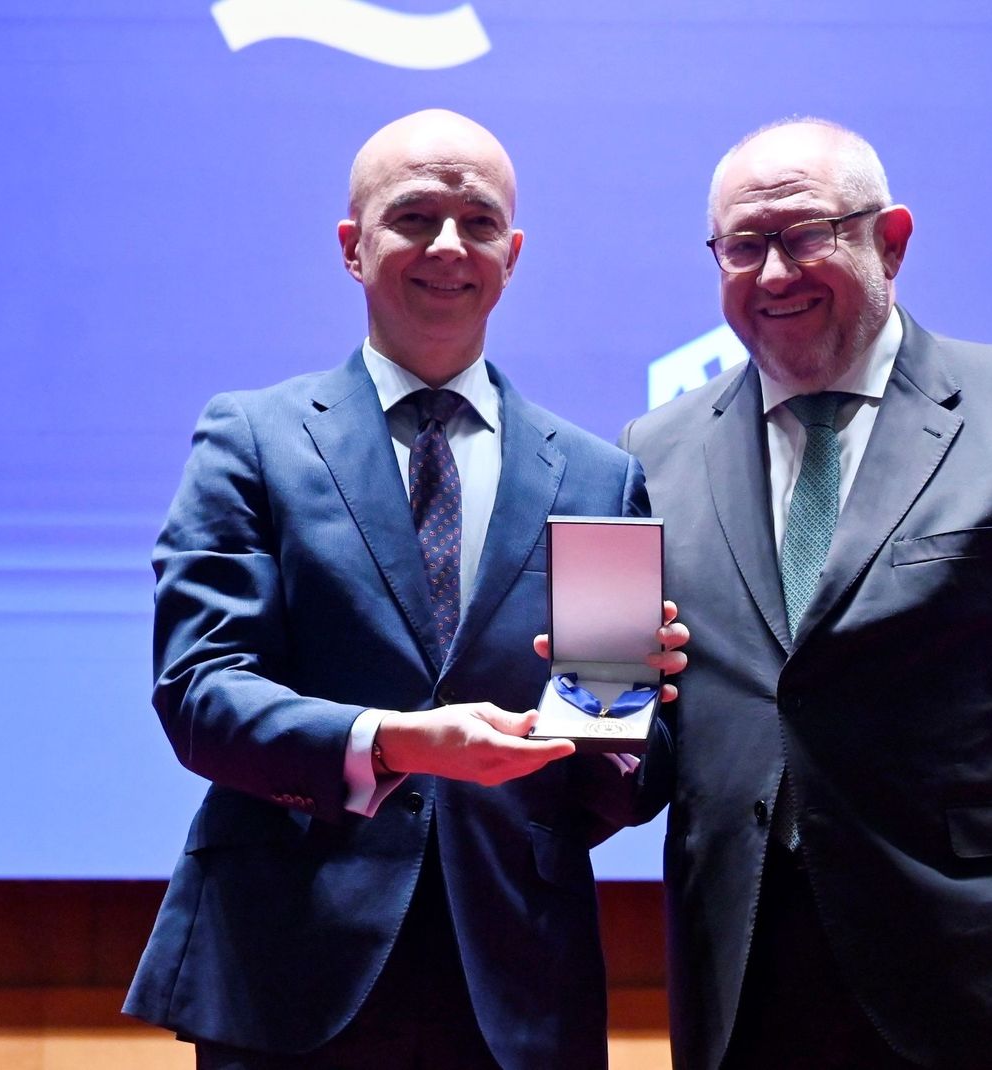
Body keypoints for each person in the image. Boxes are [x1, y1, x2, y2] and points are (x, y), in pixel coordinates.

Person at [621, 118, 992, 1070]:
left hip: (982, 979)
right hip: (747, 979)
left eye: (806, 236)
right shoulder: (656, 450)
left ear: (890, 240)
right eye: (743, 246)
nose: (773, 274)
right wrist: (597, 707)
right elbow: (667, 738)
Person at [125, 108, 684, 1070]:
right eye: (414, 217)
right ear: (353, 246)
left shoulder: (598, 477)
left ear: (512, 253)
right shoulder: (254, 439)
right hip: (291, 965)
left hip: (518, 976)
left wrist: (627, 718)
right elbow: (200, 693)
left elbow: (622, 785)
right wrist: (395, 743)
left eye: (476, 221)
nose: (447, 246)